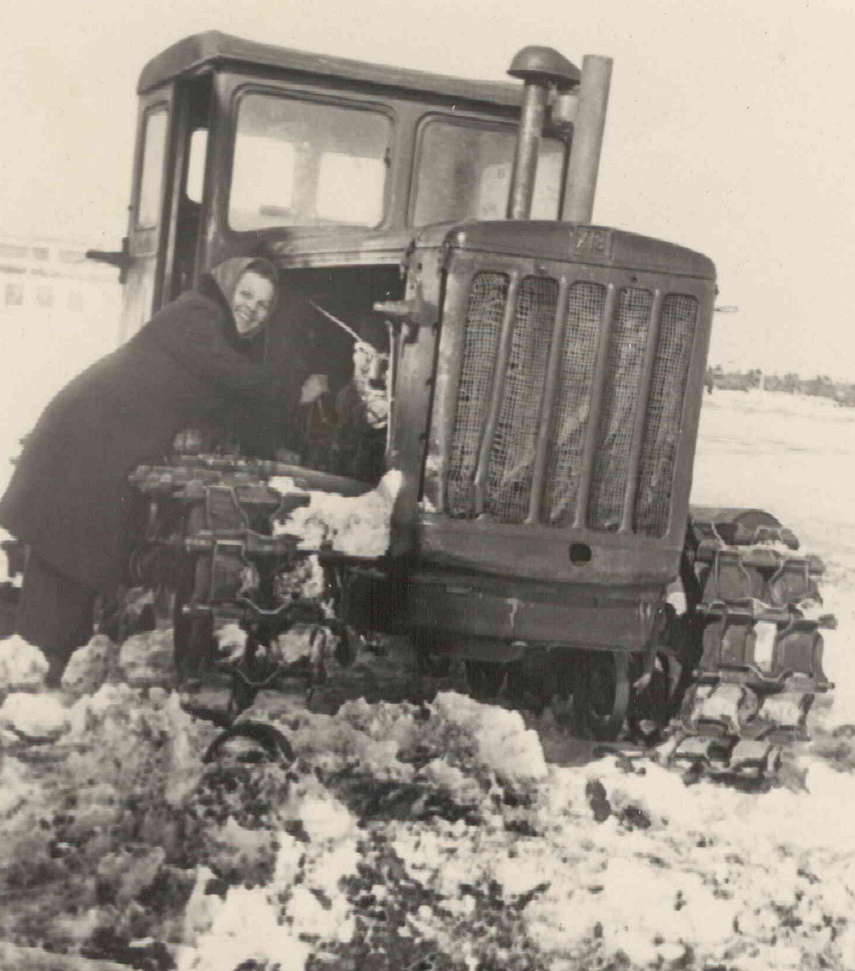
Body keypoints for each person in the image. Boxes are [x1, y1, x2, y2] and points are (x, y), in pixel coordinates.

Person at [0, 256, 299, 683]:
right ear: (227, 287)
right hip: (81, 446)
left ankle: (42, 676)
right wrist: (296, 389)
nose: (252, 308)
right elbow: (236, 379)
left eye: (264, 305)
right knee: (64, 562)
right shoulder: (197, 313)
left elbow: (226, 399)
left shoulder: (211, 328)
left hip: (90, 448)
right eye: (246, 294)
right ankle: (28, 683)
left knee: (71, 561)